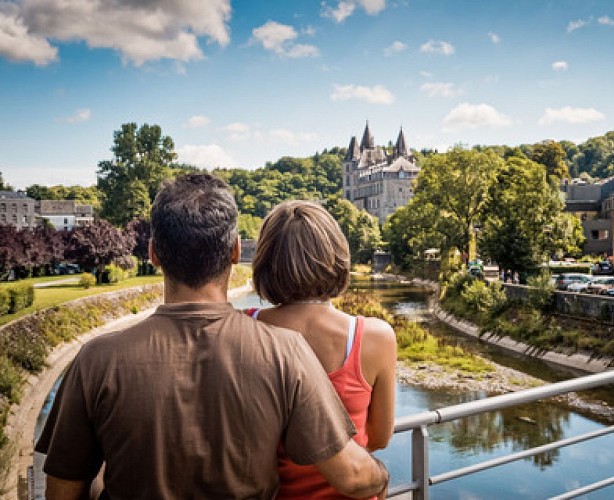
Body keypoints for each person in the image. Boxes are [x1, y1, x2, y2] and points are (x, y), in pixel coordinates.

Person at [35, 174, 389, 499]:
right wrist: (382, 476)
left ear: (153, 253)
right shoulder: (285, 351)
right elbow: (352, 473)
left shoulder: (95, 359)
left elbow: (62, 492)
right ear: (236, 250)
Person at [250, 200, 397, 499]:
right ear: (337, 257)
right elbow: (380, 438)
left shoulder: (244, 327)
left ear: (265, 262)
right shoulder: (375, 336)